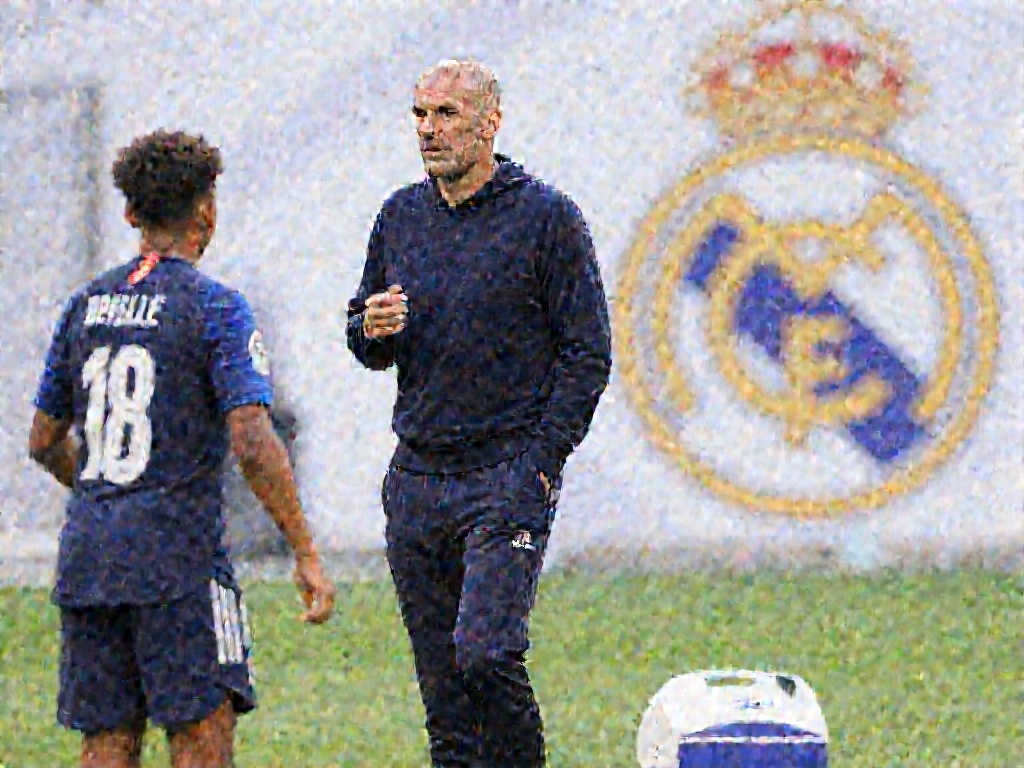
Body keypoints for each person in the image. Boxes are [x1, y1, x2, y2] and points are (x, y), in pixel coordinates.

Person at [28, 129, 336, 768]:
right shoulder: (214, 308)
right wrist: (305, 550)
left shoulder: (85, 306)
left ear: (131, 214)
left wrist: (104, 493)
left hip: (90, 557)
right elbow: (252, 440)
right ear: (207, 211)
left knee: (107, 740)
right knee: (201, 735)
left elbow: (43, 439)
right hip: (177, 560)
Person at [346, 60, 612, 767]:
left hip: (504, 475)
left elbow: (588, 354)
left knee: (486, 655)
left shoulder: (546, 218)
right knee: (446, 705)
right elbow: (365, 336)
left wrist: (542, 463)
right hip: (417, 478)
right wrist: (370, 328)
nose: (429, 130)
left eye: (447, 114)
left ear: (491, 122)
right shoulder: (400, 217)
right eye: (420, 115)